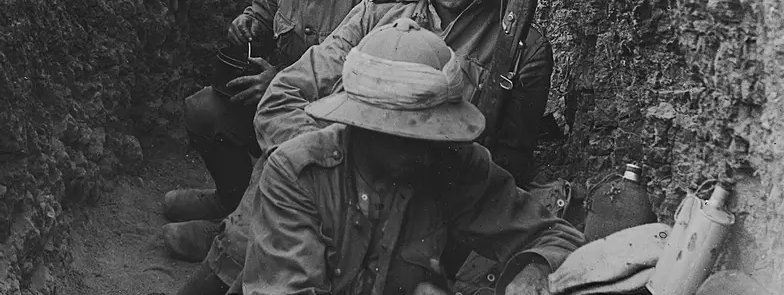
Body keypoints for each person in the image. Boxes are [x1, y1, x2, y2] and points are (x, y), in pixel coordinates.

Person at [181, 0, 553, 295]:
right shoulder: (376, 18)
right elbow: (282, 98)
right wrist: (334, 164)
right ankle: (226, 221)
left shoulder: (519, 45)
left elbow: (510, 164)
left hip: (424, 212)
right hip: (324, 197)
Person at [160, 0, 399, 261]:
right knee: (202, 110)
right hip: (279, 105)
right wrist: (250, 20)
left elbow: (370, 90)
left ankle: (244, 238)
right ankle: (231, 203)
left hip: (337, 131)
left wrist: (281, 82)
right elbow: (267, 5)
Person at [242, 19, 583, 295]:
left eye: (436, 132)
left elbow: (553, 236)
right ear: (362, 127)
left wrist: (537, 269)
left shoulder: (452, 162)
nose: (428, 149)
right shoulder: (298, 175)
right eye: (410, 136)